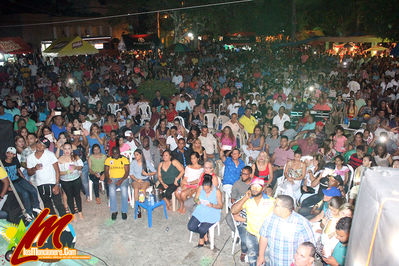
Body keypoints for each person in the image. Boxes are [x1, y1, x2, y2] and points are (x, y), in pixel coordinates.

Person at [257, 195, 315, 266]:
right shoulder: (270, 218)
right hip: (273, 262)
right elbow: (263, 237)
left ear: (284, 209)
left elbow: (310, 248)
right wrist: (261, 256)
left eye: (276, 205)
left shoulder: (302, 223)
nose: (273, 206)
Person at [231, 178, 274, 266]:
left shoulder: (271, 201)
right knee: (252, 258)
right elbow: (233, 211)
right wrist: (245, 198)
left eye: (257, 187)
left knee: (266, 260)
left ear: (262, 188)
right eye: (252, 186)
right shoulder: (248, 200)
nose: (254, 189)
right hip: (251, 235)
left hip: (266, 236)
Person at [27, 137, 66, 216]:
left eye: (43, 145)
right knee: (47, 205)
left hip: (52, 182)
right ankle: (53, 222)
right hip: (40, 184)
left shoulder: (50, 155)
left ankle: (65, 220)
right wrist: (35, 168)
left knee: (58, 203)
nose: (39, 146)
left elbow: (57, 170)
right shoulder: (30, 157)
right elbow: (29, 173)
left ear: (45, 148)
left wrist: (57, 184)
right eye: (39, 143)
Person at [2, 147, 40, 217]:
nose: (9, 155)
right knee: (25, 193)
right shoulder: (2, 164)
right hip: (12, 183)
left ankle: (36, 207)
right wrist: (8, 187)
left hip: (20, 179)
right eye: (8, 153)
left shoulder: (15, 161)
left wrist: (25, 180)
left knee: (33, 189)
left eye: (12, 153)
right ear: (6, 153)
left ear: (14, 155)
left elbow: (19, 171)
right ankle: (28, 212)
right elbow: (3, 178)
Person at [188, 174, 222, 247]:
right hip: (201, 210)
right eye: (204, 189)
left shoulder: (217, 192)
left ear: (211, 186)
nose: (206, 191)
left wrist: (212, 205)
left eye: (208, 189)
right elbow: (195, 198)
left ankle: (201, 238)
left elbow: (220, 206)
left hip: (212, 212)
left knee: (202, 229)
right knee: (190, 227)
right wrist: (197, 201)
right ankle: (205, 234)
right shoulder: (200, 188)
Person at [58, 142, 84, 220]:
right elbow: (58, 172)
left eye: (69, 148)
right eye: (65, 148)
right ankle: (73, 213)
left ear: (71, 149)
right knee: (69, 197)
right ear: (62, 149)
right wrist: (67, 171)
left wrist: (75, 167)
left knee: (77, 196)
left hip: (76, 179)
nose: (67, 150)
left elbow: (81, 166)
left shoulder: (75, 157)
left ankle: (80, 212)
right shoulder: (60, 159)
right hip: (65, 181)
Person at [105, 147, 130, 220]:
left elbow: (127, 172)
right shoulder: (108, 159)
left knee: (124, 189)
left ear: (119, 152)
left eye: (117, 153)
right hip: (112, 178)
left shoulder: (124, 159)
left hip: (123, 178)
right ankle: (114, 211)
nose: (116, 155)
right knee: (111, 189)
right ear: (112, 153)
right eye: (114, 153)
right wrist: (108, 178)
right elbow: (106, 171)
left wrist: (121, 180)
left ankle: (124, 211)